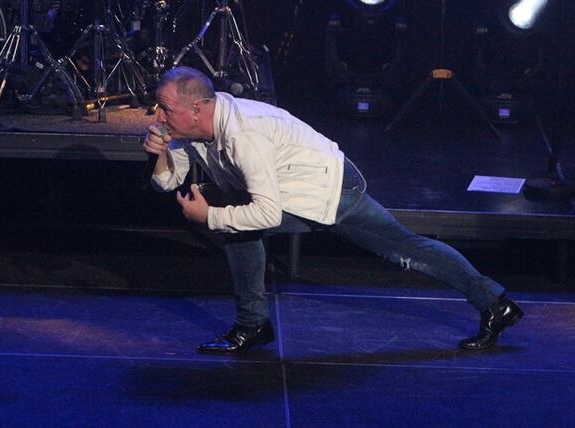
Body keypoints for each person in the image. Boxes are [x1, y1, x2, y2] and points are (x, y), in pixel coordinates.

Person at [143, 66, 524, 354]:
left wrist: (209, 217)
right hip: (294, 191)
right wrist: (159, 156)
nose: (158, 116)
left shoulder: (243, 134)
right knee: (235, 221)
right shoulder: (198, 128)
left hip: (331, 190)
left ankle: (495, 303)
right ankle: (252, 324)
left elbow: (268, 213)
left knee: (406, 250)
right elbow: (166, 182)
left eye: (165, 109)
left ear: (197, 108)